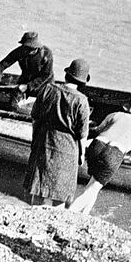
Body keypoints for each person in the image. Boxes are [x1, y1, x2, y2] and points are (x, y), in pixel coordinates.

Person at [69, 94, 131, 214]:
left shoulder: (115, 115)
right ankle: (70, 213)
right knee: (93, 187)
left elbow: (98, 129)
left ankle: (85, 213)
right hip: (114, 153)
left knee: (93, 184)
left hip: (97, 145)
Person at [24, 58, 91, 207]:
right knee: (60, 192)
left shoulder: (48, 89)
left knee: (39, 187)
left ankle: (33, 217)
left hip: (44, 142)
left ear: (67, 75)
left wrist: (35, 139)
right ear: (82, 82)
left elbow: (35, 117)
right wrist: (81, 154)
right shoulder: (82, 100)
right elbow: (82, 134)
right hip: (67, 150)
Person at [0, 31, 54, 106]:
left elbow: (46, 75)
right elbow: (1, 65)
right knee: (14, 98)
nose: (27, 51)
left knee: (44, 102)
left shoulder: (46, 54)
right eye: (25, 47)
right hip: (26, 80)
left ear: (36, 47)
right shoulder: (20, 51)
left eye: (31, 49)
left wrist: (28, 86)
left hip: (44, 84)